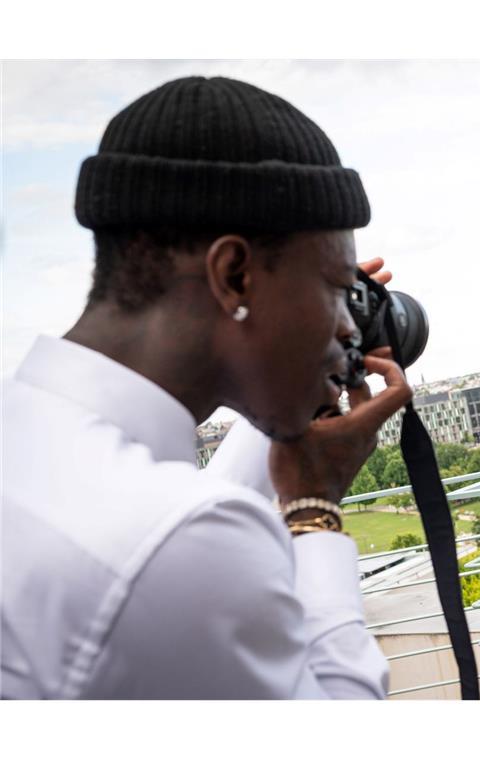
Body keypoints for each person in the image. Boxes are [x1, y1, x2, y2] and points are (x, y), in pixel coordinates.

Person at [1, 76, 412, 698]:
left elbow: (160, 510)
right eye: (334, 289)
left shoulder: (37, 446)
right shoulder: (178, 539)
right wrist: (314, 512)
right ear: (235, 274)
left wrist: (291, 409)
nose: (350, 326)